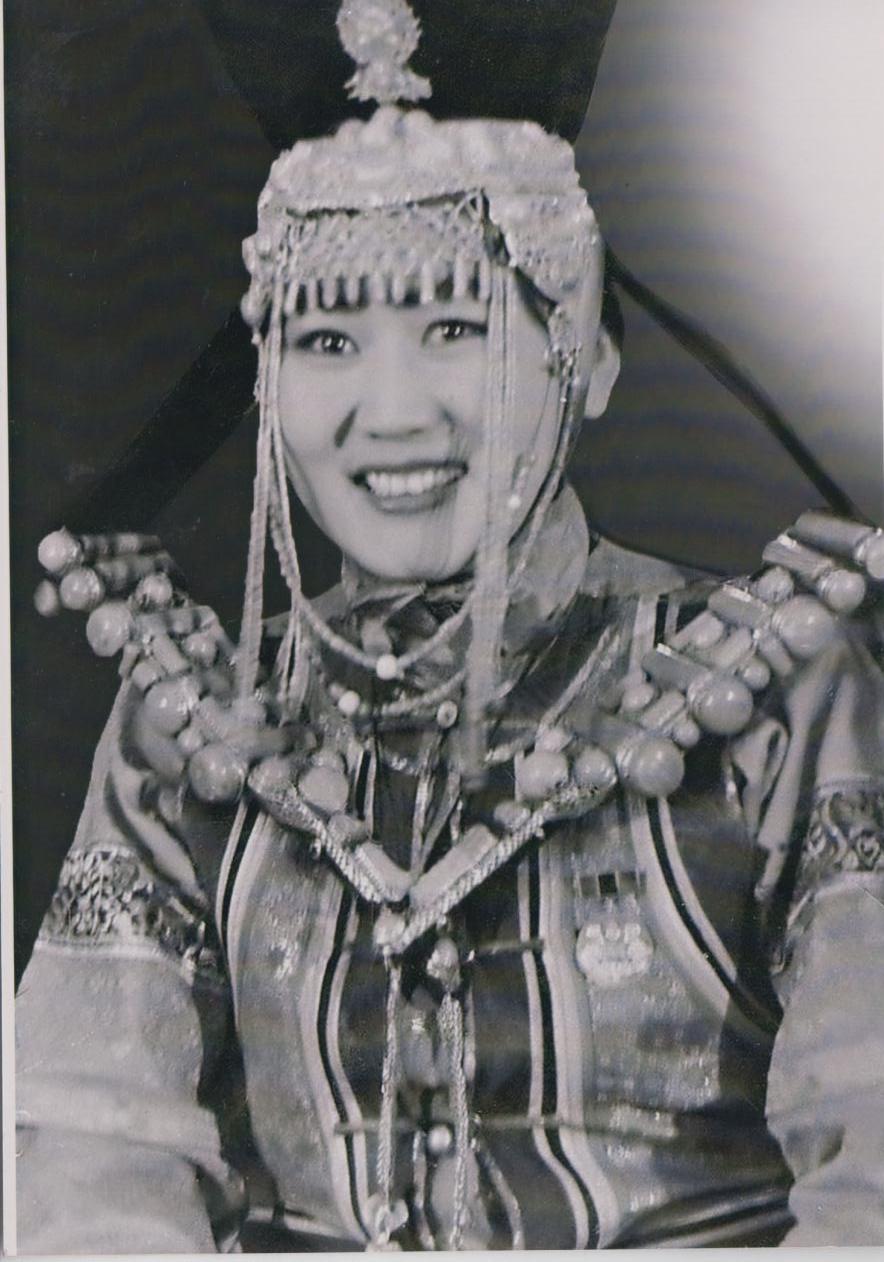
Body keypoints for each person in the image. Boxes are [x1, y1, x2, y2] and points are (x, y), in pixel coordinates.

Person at [14, 0, 884, 1250]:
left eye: (455, 328)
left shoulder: (777, 694)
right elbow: (90, 1162)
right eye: (326, 337)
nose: (391, 412)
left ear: (586, 359)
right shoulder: (198, 723)